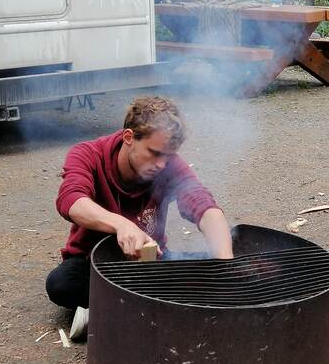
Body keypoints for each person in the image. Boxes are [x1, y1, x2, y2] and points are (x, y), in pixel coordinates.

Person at [45, 95, 234, 336]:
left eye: (168, 156)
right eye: (154, 153)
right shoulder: (89, 154)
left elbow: (203, 205)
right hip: (94, 264)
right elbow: (71, 200)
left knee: (202, 269)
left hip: (150, 266)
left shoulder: (167, 163)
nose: (162, 164)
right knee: (61, 285)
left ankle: (117, 309)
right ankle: (146, 304)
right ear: (129, 137)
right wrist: (121, 224)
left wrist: (226, 266)